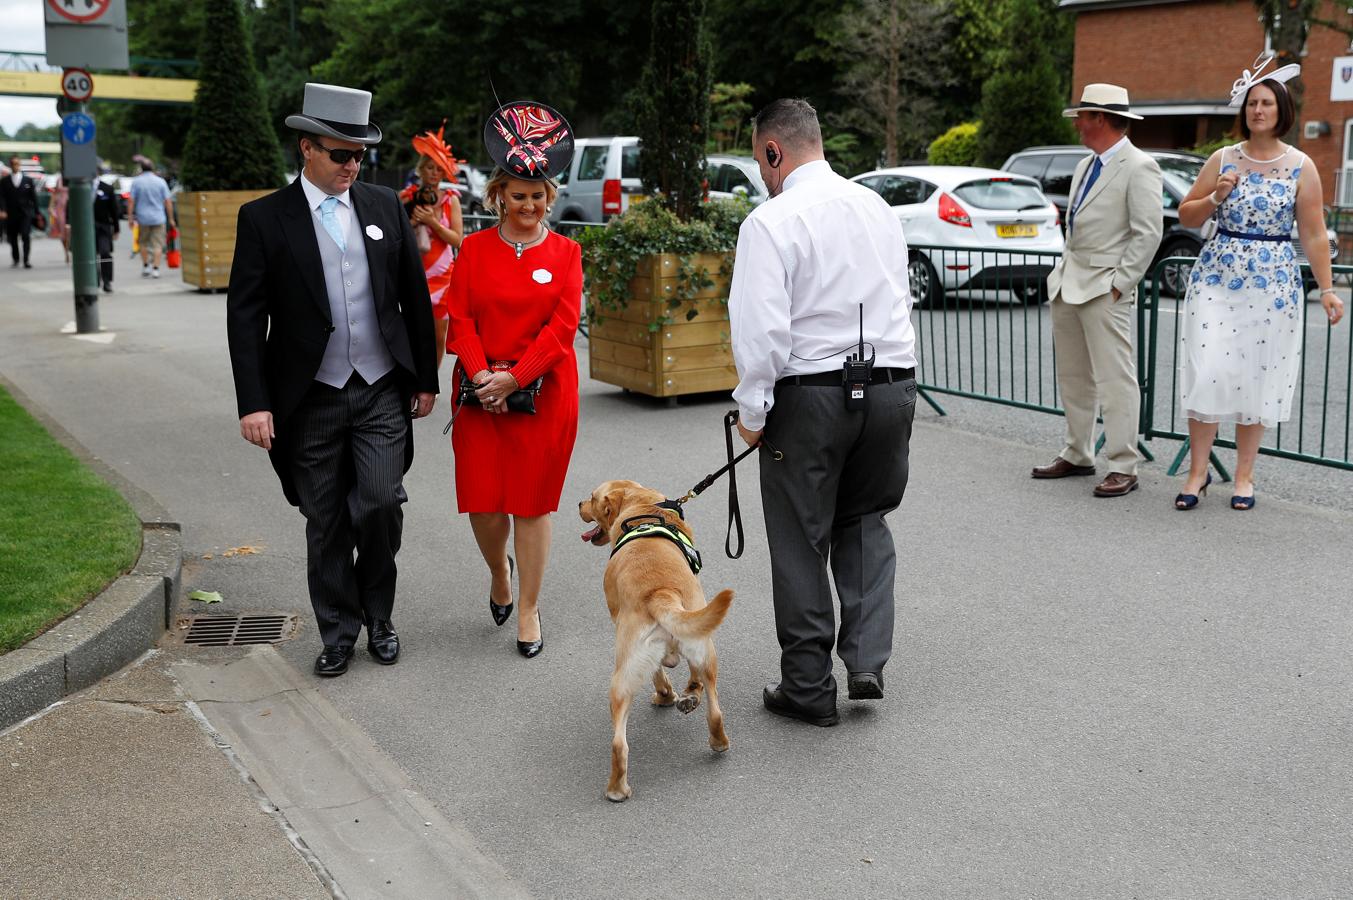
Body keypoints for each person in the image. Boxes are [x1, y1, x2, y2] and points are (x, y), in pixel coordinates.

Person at [226, 83, 440, 677]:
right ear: (306, 149)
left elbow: (413, 298)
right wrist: (255, 402)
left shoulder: (381, 206)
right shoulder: (264, 219)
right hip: (309, 396)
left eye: (360, 154)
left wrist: (425, 377)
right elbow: (245, 319)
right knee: (324, 521)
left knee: (378, 503)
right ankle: (340, 631)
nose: (352, 165)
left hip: (378, 388)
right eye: (340, 153)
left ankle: (381, 616)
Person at [729, 98, 918, 727]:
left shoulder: (770, 222)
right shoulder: (877, 208)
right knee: (865, 520)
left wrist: (752, 411)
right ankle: (865, 661)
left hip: (810, 394)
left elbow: (762, 333)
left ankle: (808, 688)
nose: (762, 174)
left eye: (761, 161)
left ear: (774, 151)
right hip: (891, 384)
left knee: (800, 538)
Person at [1173, 58, 1343, 511]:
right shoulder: (1222, 158)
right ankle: (1197, 472)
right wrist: (1215, 196)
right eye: (1252, 103)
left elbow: (1311, 233)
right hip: (1216, 277)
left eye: (1267, 103)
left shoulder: (1301, 164)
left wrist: (1326, 288)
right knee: (1207, 369)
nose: (1258, 110)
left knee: (1257, 377)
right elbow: (1186, 215)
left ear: (1281, 109)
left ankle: (1244, 477)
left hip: (1273, 286)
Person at [444, 99, 579, 659]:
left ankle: (527, 606)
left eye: (538, 196)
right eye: (518, 195)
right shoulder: (473, 250)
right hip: (479, 393)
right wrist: (482, 376)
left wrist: (515, 378)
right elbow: (460, 317)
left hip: (545, 395)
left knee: (531, 503)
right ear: (498, 194)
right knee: (483, 503)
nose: (529, 205)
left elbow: (562, 327)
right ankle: (499, 573)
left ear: (550, 197)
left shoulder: (567, 252)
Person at [1034, 84, 1163, 497]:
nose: (1079, 126)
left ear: (1100, 119)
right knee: (1074, 376)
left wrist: (1119, 285)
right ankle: (1078, 452)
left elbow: (1148, 234)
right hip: (1069, 283)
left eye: (1083, 118)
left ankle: (1124, 465)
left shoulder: (1139, 166)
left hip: (1104, 288)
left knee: (1115, 379)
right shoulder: (1086, 165)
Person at [399, 122, 464, 368]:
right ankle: (409, 378)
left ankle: (430, 382)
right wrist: (411, 221)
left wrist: (432, 223)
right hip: (414, 271)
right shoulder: (406, 196)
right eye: (429, 168)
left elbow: (457, 240)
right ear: (421, 170)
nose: (434, 173)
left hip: (443, 275)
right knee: (409, 332)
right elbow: (391, 232)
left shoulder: (451, 200)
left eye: (438, 169)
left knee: (438, 335)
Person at [127, 158, 175, 278]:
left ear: (142, 169)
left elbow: (131, 201)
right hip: (159, 217)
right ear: (152, 168)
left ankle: (146, 266)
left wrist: (130, 218)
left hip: (143, 218)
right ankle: (156, 268)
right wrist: (171, 218)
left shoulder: (137, 182)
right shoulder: (160, 182)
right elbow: (168, 201)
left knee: (143, 242)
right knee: (158, 244)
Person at [0, 155, 39, 268]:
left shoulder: (28, 180)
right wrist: (3, 210)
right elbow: (1, 197)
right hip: (11, 213)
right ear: (10, 165)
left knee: (26, 235)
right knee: (12, 237)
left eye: (17, 164)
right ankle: (16, 258)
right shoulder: (4, 181)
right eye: (13, 164)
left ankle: (26, 259)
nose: (15, 166)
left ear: (20, 165)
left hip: (25, 213)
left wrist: (37, 213)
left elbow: (33, 197)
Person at [93, 169, 121, 292]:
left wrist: (116, 228)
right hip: (87, 228)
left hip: (103, 226)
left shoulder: (107, 188)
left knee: (105, 253)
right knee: (90, 255)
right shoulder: (80, 189)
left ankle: (107, 281)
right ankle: (94, 280)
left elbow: (114, 210)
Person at [48, 175, 69, 264]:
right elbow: (55, 193)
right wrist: (51, 206)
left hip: (71, 207)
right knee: (63, 232)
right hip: (60, 209)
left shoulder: (74, 178)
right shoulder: (59, 179)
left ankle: (72, 250)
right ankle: (67, 252)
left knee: (71, 231)